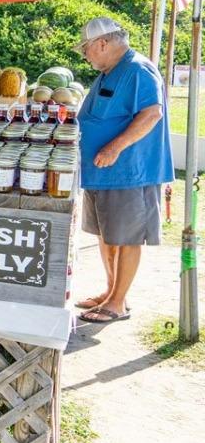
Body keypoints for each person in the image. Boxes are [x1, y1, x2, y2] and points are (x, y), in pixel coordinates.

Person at [73, 17, 173, 325]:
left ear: (102, 43)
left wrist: (114, 147)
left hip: (129, 172)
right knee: (107, 235)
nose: (85, 55)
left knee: (127, 238)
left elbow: (152, 113)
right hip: (103, 173)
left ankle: (117, 303)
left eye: (86, 49)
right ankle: (111, 292)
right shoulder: (110, 70)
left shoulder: (137, 69)